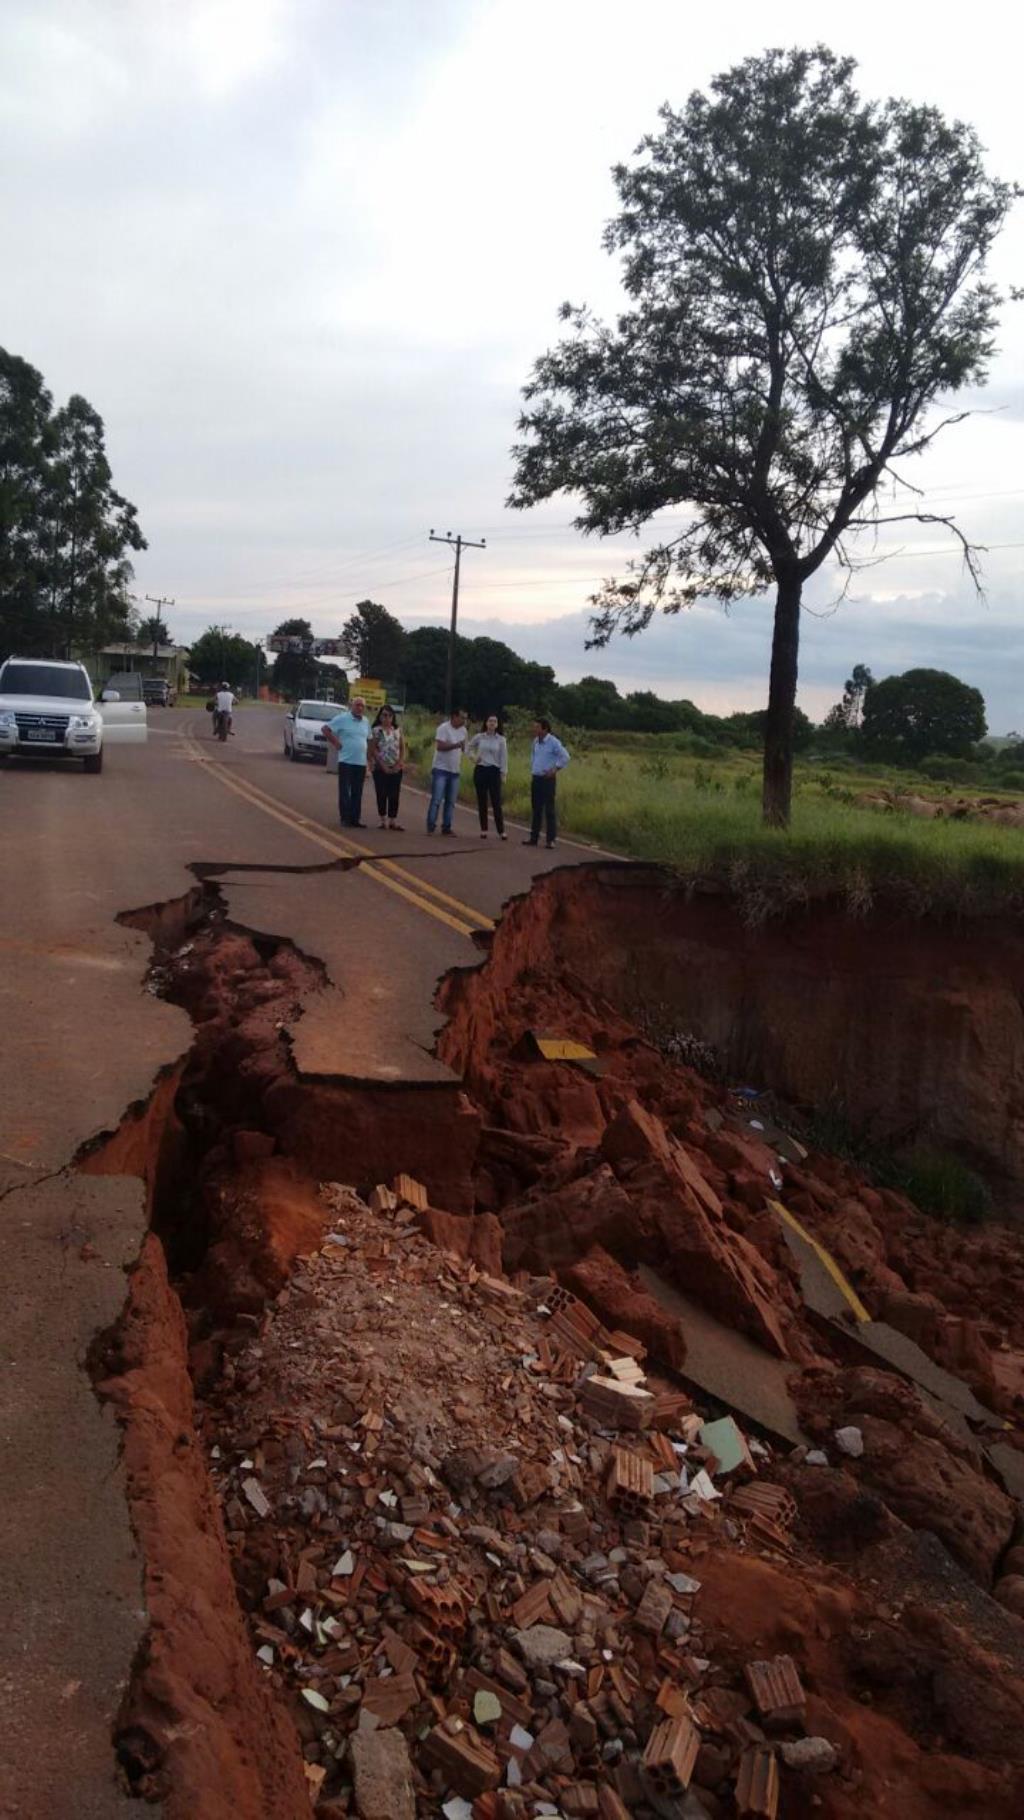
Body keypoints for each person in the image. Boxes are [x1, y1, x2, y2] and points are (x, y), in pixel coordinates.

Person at [322, 696, 370, 828]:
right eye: (357, 705)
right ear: (352, 706)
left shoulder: (366, 721)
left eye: (362, 706)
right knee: (344, 791)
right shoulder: (343, 718)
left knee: (357, 792)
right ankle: (345, 818)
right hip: (346, 761)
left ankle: (355, 818)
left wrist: (369, 762)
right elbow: (325, 729)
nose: (360, 708)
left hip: (360, 762)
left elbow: (368, 740)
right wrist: (336, 742)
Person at [523, 717, 570, 849]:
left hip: (547, 779)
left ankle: (550, 840)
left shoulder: (553, 742)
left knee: (549, 809)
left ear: (544, 728)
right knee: (536, 809)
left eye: (537, 727)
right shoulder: (535, 742)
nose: (534, 729)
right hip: (536, 778)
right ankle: (534, 837)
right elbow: (533, 756)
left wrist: (555, 769)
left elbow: (565, 757)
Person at [466, 713, 508, 839]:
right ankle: (484, 829)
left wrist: (503, 773)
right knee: (482, 800)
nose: (492, 723)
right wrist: (473, 758)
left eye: (494, 721)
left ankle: (501, 831)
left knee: (496, 802)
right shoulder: (480, 737)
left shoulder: (501, 740)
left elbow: (504, 757)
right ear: (486, 723)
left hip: (494, 771)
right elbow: (468, 747)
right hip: (481, 769)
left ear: (497, 724)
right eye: (490, 721)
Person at [426, 707, 467, 835]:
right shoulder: (443, 728)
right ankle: (431, 825)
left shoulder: (463, 731)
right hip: (441, 769)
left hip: (454, 770)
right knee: (437, 799)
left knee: (451, 802)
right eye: (462, 717)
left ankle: (446, 826)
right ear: (454, 717)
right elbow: (440, 746)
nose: (464, 720)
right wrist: (455, 745)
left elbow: (465, 748)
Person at [370, 704, 406, 830]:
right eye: (384, 715)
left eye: (390, 715)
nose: (387, 718)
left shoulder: (397, 730)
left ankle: (392, 820)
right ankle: (382, 819)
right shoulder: (376, 730)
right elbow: (373, 749)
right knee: (381, 793)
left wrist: (400, 762)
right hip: (380, 767)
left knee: (394, 794)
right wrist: (382, 765)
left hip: (395, 766)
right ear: (380, 716)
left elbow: (402, 747)